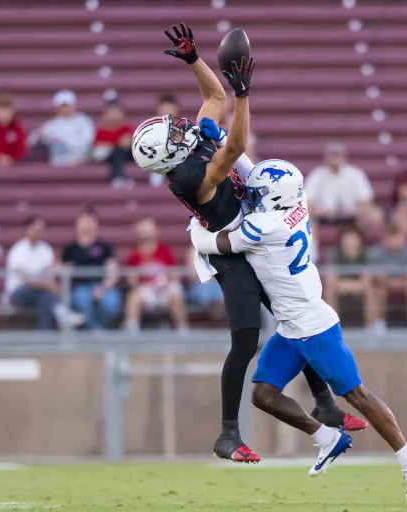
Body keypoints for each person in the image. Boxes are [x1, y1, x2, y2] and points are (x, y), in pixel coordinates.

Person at [130, 23, 364, 462]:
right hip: (230, 252)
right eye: (174, 136)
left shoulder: (184, 150)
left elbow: (213, 99)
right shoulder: (188, 176)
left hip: (248, 235)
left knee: (296, 316)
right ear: (167, 157)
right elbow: (235, 144)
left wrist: (193, 60)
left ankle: (327, 405)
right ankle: (228, 434)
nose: (181, 130)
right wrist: (247, 94)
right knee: (246, 340)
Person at [190, 160, 407, 504]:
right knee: (263, 396)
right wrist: (228, 140)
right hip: (291, 326)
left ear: (272, 197)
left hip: (314, 327)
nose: (252, 198)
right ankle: (328, 438)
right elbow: (256, 171)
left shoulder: (264, 225)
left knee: (358, 396)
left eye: (258, 194)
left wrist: (195, 220)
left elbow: (214, 244)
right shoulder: (297, 205)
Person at [5, 216, 85, 330]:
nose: (39, 231)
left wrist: (52, 286)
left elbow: (49, 273)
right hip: (18, 293)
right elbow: (25, 280)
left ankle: (46, 333)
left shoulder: (45, 249)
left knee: (45, 298)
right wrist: (49, 285)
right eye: (36, 228)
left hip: (41, 291)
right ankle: (62, 312)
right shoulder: (18, 250)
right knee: (45, 293)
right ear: (27, 229)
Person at [123, 218, 189, 334]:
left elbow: (175, 274)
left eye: (148, 230)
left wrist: (166, 283)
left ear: (155, 231)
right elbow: (131, 280)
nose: (146, 233)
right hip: (147, 291)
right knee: (133, 298)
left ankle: (182, 329)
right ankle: (132, 331)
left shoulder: (165, 251)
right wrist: (140, 286)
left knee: (175, 294)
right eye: (143, 230)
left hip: (165, 289)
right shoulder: (134, 255)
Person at [61, 211, 122, 330]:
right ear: (77, 225)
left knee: (112, 304)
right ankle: (97, 334)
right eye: (84, 222)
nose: (87, 225)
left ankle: (97, 330)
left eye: (90, 222)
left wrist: (103, 287)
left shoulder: (105, 247)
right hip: (80, 287)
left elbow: (113, 270)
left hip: (102, 286)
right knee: (82, 302)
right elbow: (61, 269)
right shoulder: (70, 249)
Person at [303, 141, 382, 231]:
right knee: (305, 215)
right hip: (323, 215)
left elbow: (366, 198)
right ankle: (311, 244)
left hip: (352, 214)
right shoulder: (317, 174)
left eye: (338, 156)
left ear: (344, 157)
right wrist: (319, 209)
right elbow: (306, 200)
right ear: (326, 158)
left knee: (375, 214)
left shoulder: (355, 173)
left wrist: (355, 209)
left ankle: (365, 243)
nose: (335, 159)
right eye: (333, 156)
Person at [368, 222, 407, 334]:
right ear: (384, 239)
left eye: (396, 237)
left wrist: (400, 283)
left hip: (405, 285)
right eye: (390, 238)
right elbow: (378, 277)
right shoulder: (376, 253)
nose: (394, 241)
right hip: (385, 286)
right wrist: (392, 283)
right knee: (379, 291)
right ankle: (379, 324)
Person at [322, 225, 376, 329]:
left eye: (353, 238)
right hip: (340, 289)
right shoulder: (334, 254)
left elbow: (367, 282)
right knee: (329, 291)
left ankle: (370, 328)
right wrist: (348, 286)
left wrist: (348, 286)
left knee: (371, 292)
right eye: (347, 239)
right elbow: (330, 281)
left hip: (358, 289)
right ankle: (333, 328)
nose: (350, 242)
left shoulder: (366, 255)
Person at [33, 90, 95, 167]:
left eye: (67, 105)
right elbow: (33, 139)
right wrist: (40, 137)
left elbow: (87, 141)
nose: (65, 109)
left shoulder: (84, 121)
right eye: (63, 106)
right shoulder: (52, 125)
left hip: (81, 157)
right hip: (60, 161)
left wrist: (64, 140)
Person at [92, 101, 134, 188]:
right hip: (109, 157)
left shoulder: (128, 128)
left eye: (116, 113)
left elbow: (129, 141)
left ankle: (118, 178)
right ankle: (118, 178)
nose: (113, 116)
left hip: (127, 155)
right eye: (110, 113)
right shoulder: (101, 132)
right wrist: (117, 144)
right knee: (117, 150)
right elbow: (99, 147)